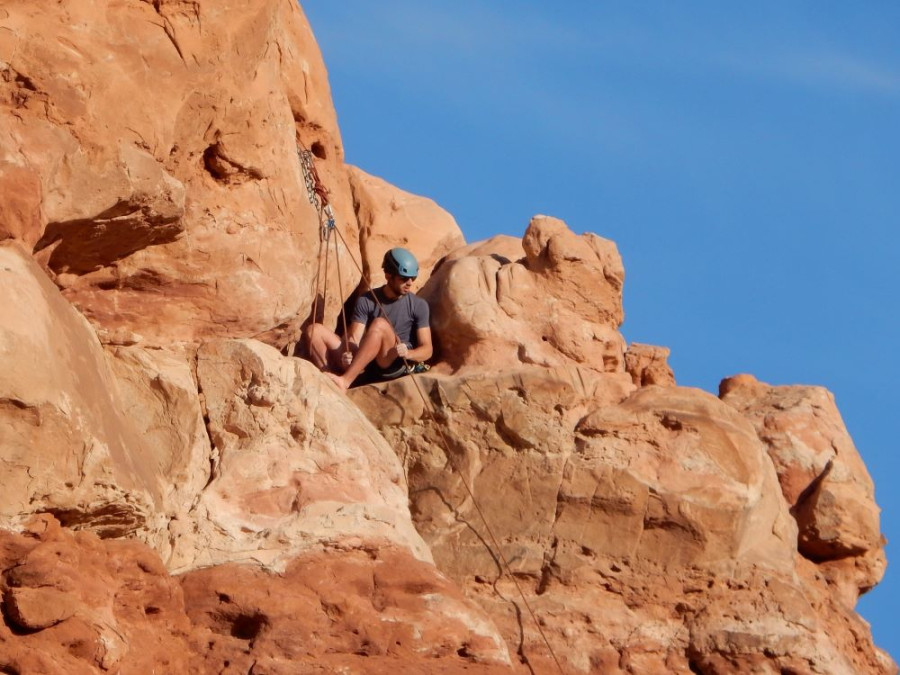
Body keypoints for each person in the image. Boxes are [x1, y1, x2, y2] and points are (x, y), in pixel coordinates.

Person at [304, 247, 433, 391]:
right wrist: (349, 354)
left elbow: (427, 349)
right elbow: (354, 338)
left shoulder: (418, 305)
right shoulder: (367, 299)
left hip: (391, 362)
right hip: (368, 361)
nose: (409, 283)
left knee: (379, 324)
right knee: (314, 331)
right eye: (403, 278)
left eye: (412, 278)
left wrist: (408, 353)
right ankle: (330, 382)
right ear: (388, 275)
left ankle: (345, 381)